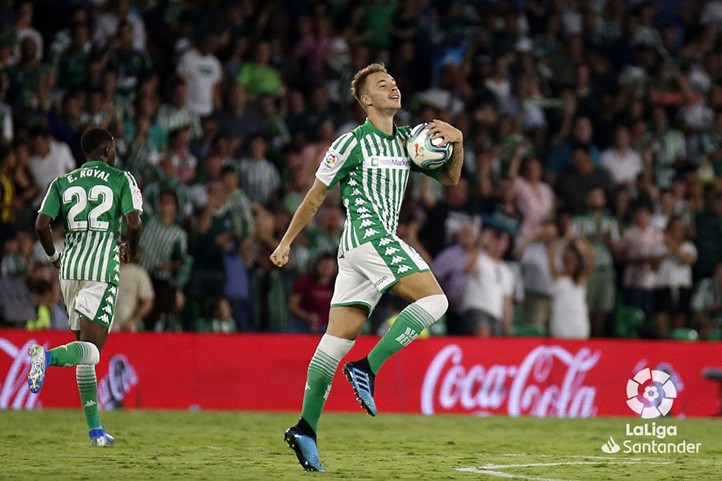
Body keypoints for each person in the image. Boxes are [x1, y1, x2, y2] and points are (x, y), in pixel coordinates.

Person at [270, 63, 462, 472]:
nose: (392, 87)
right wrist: (286, 242)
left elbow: (449, 181)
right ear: (365, 101)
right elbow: (316, 196)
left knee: (334, 343)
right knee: (436, 301)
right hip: (369, 238)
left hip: (358, 256)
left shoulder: (411, 141)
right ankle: (367, 368)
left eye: (393, 81)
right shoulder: (350, 143)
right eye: (381, 85)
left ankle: (305, 428)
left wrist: (457, 143)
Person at [27, 127, 143, 445]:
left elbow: (41, 225)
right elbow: (134, 223)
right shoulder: (122, 179)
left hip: (70, 269)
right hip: (102, 270)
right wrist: (131, 249)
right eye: (114, 147)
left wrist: (53, 257)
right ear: (106, 149)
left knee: (84, 355)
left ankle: (95, 431)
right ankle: (45, 358)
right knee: (91, 352)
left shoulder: (62, 181)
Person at [548, 237, 596, 339]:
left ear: (578, 262)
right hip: (561, 323)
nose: (569, 263)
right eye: (566, 260)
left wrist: (582, 243)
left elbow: (592, 259)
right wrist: (565, 240)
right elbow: (551, 252)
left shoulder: (580, 278)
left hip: (578, 323)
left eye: (572, 261)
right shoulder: (557, 276)